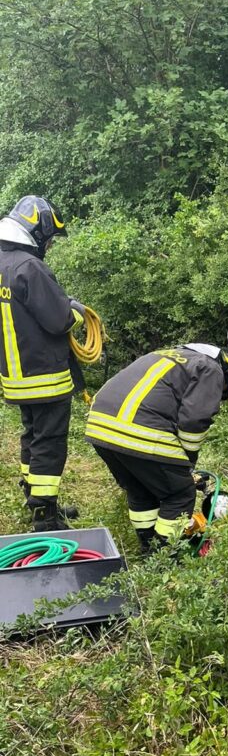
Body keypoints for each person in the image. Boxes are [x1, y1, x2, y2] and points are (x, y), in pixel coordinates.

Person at [85, 343, 228, 553]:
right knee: (180, 494)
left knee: (140, 489)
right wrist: (187, 465)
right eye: (223, 390)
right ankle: (165, 556)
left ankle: (148, 547)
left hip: (99, 428)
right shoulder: (211, 368)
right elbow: (194, 421)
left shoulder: (162, 355)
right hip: (140, 431)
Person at [0, 195, 87, 531]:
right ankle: (45, 517)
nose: (49, 246)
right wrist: (77, 312)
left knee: (33, 437)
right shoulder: (29, 267)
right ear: (38, 232)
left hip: (15, 378)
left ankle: (33, 498)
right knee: (49, 444)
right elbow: (59, 320)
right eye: (49, 239)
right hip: (46, 377)